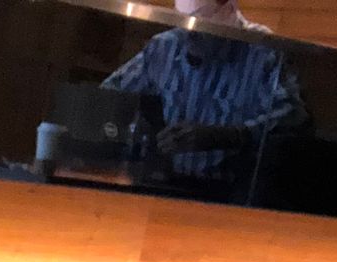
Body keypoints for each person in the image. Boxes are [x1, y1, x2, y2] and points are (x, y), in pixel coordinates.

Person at [102, 0, 306, 187]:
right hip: (161, 181)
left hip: (231, 190)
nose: (188, 32)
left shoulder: (263, 51)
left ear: (228, 10)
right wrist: (142, 130)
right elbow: (110, 91)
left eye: (199, 21)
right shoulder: (165, 46)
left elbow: (293, 117)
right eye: (182, 20)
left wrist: (229, 136)